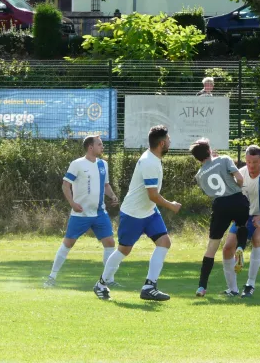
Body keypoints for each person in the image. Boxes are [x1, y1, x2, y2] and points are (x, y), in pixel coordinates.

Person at [94, 125, 181, 301]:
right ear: (162, 143)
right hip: (133, 213)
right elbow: (153, 195)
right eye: (169, 140)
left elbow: (151, 197)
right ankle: (101, 284)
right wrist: (171, 205)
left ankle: (149, 287)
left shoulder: (153, 158)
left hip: (148, 211)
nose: (170, 142)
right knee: (124, 250)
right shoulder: (149, 161)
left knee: (164, 242)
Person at [44, 136, 119, 287]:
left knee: (110, 243)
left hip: (99, 213)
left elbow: (105, 185)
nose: (102, 147)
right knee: (68, 243)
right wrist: (72, 203)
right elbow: (66, 185)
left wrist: (112, 195)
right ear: (90, 147)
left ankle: (108, 280)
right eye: (99, 144)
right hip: (81, 213)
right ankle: (51, 277)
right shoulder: (77, 164)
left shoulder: (103, 164)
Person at [189, 138, 249, 297]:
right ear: (210, 150)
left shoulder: (199, 175)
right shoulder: (224, 159)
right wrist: (237, 188)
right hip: (237, 199)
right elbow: (240, 179)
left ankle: (201, 287)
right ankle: (241, 247)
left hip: (220, 205)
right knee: (242, 226)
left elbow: (209, 192)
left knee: (212, 247)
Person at [222, 145, 260, 297]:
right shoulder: (241, 175)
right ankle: (233, 289)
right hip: (245, 216)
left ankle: (250, 284)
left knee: (257, 238)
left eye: (255, 162)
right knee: (227, 248)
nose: (251, 166)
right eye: (248, 162)